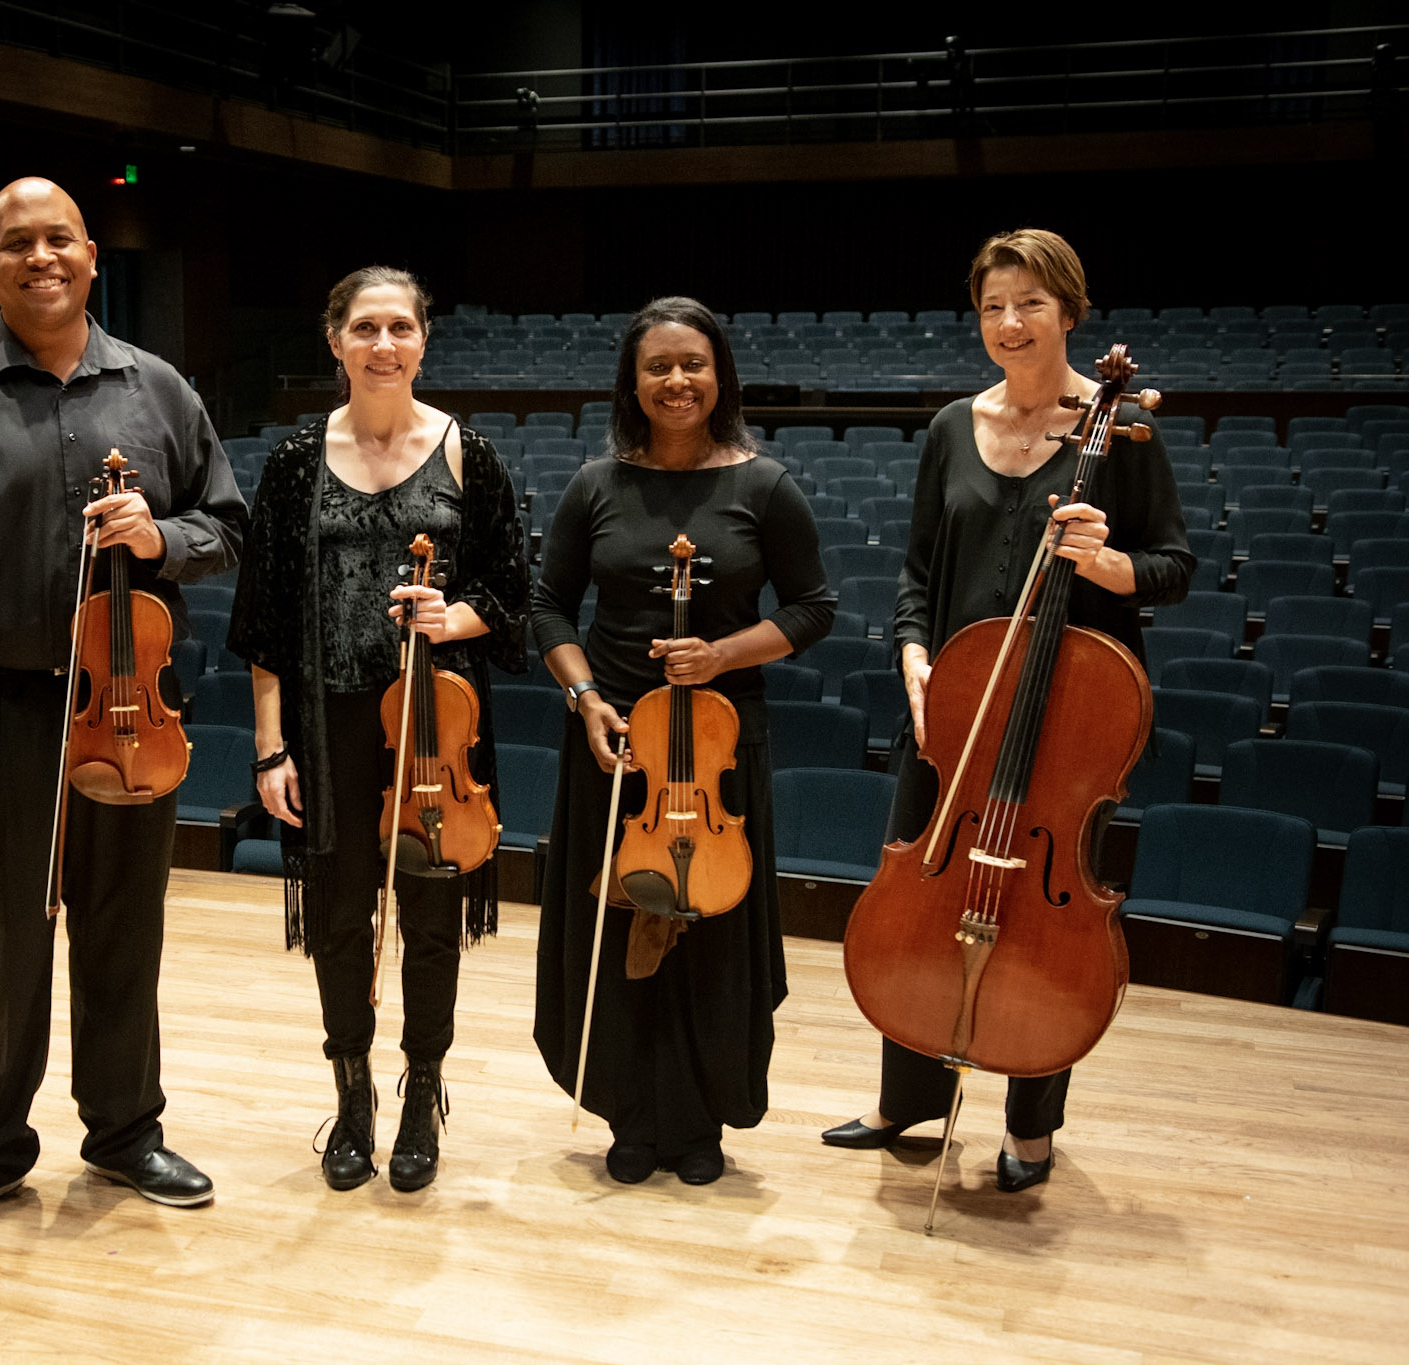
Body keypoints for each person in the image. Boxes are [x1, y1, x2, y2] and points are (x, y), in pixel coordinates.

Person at [0, 177, 247, 1236]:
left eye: (58, 239)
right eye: (16, 243)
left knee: (125, 932)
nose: (40, 257)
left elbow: (227, 528)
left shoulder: (158, 390)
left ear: (91, 256)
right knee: (6, 944)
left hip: (130, 709)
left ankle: (125, 1131)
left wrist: (162, 539)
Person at [819, 227, 1192, 1192]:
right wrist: (912, 653)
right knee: (921, 904)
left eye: (1030, 302)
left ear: (1070, 310)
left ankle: (1032, 1128)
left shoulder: (1119, 429)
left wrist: (1109, 564)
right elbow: (917, 571)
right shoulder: (954, 425)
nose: (1010, 322)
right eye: (992, 306)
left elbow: (1174, 565)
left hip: (1065, 729)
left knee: (1042, 919)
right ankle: (907, 1099)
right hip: (952, 717)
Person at [229, 267, 528, 1192]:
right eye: (365, 327)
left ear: (423, 341)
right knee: (338, 918)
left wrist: (451, 616)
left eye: (401, 327)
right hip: (326, 721)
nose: (384, 344)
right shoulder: (294, 461)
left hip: (436, 726)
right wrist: (271, 746)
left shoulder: (469, 454)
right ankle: (352, 1093)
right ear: (336, 341)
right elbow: (265, 619)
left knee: (431, 915)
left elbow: (512, 596)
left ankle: (421, 1090)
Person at [531, 297, 835, 1185]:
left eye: (693, 364)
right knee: (619, 916)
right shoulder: (597, 484)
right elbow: (548, 605)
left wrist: (722, 655)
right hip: (617, 743)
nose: (676, 381)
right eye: (657, 366)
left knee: (710, 932)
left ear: (720, 376)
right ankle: (630, 1114)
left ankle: (700, 1120)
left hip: (718, 748)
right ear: (632, 382)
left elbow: (813, 607)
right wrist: (586, 697)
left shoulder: (765, 486)